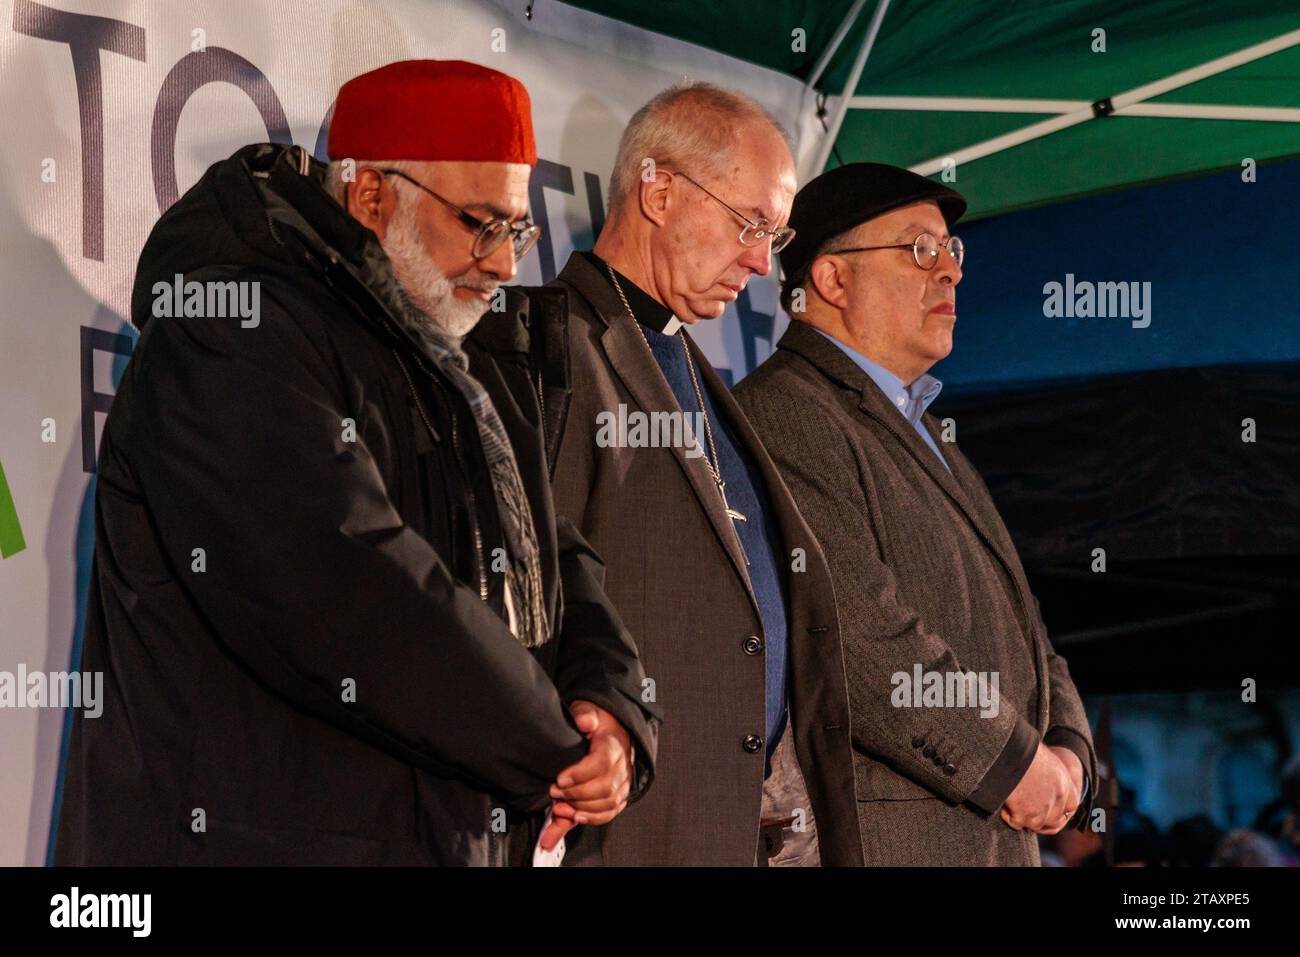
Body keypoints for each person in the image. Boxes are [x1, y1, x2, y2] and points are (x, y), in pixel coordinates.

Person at [54, 59, 657, 866]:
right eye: (481, 224)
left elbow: (558, 563)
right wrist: (551, 748)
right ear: (373, 196)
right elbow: (347, 593)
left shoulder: (464, 367)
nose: (506, 265)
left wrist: (611, 713)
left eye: (517, 230)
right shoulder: (233, 332)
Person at [735, 162, 1096, 865]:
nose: (951, 272)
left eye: (951, 251)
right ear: (833, 280)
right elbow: (861, 636)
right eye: (919, 249)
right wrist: (1016, 765)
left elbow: (1027, 625)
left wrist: (1071, 752)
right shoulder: (785, 411)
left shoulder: (931, 432)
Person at [544, 83, 862, 866]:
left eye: (774, 236)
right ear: (657, 191)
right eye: (750, 224)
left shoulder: (695, 365)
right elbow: (536, 590)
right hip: (629, 831)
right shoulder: (549, 345)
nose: (760, 261)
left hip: (743, 828)